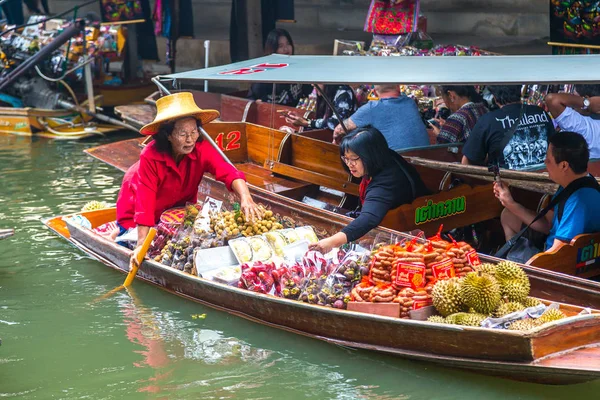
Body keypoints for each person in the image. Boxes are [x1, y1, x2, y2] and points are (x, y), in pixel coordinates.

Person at [116, 92, 262, 266]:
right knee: (135, 242)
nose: (190, 139)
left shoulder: (201, 149)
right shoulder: (150, 155)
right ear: (168, 135)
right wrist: (141, 244)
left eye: (194, 132)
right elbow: (144, 201)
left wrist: (246, 197)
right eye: (183, 134)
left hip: (176, 210)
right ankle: (118, 235)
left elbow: (228, 171)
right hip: (137, 207)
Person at [309, 127, 429, 254]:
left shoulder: (387, 182)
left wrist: (331, 242)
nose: (349, 164)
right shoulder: (383, 159)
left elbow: (368, 218)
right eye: (346, 158)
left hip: (410, 232)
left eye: (354, 158)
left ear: (371, 155)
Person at [494, 132, 600, 256]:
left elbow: (557, 254)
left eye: (548, 160)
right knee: (508, 215)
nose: (545, 162)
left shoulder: (578, 201)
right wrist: (510, 203)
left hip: (556, 262)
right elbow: (547, 224)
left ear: (564, 165)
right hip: (549, 245)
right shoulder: (571, 183)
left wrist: (524, 268)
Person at [462, 85, 555, 170]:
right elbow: (554, 147)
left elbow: (467, 162)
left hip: (508, 184)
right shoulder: (540, 112)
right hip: (546, 179)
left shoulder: (487, 121)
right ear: (520, 91)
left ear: (494, 97)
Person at [333, 84, 429, 151]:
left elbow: (339, 130)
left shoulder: (372, 108)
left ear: (374, 92)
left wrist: (335, 141)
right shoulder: (410, 102)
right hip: (424, 161)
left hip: (397, 165)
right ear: (398, 87)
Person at [247, 28, 312, 106]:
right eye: (281, 46)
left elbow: (309, 92)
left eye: (288, 44)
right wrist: (256, 104)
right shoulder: (264, 73)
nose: (286, 49)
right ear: (273, 49)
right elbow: (250, 100)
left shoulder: (299, 70)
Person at [545, 84, 600, 160]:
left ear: (586, 98)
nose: (570, 103)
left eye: (574, 97)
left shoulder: (583, 126)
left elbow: (552, 99)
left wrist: (586, 103)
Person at [284, 84, 357, 130]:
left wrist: (307, 123)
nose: (312, 84)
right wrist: (302, 120)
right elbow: (324, 123)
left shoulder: (343, 92)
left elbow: (335, 123)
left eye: (317, 81)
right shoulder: (326, 94)